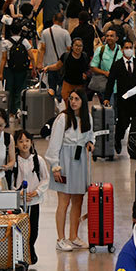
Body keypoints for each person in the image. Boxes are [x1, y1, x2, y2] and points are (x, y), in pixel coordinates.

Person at [45, 88, 95, 251]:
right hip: (65, 161)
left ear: (83, 101)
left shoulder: (87, 118)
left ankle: (74, 236)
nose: (73, 102)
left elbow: (90, 135)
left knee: (78, 200)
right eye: (71, 98)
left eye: (77, 99)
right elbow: (54, 143)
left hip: (80, 161)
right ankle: (60, 238)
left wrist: (90, 143)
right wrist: (55, 166)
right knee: (64, 201)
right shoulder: (63, 118)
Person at [103, 39, 136, 154]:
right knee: (122, 123)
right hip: (123, 101)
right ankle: (117, 140)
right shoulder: (117, 65)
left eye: (131, 47)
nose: (129, 50)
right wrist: (106, 98)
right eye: (126, 47)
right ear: (122, 49)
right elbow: (110, 82)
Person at [11, 129, 49, 265]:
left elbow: (45, 179)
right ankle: (20, 253)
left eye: (27, 141)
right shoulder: (14, 162)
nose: (24, 144)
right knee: (19, 228)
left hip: (34, 201)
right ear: (15, 145)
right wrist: (18, 193)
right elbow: (10, 182)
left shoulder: (38, 160)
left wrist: (38, 191)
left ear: (31, 143)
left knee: (33, 228)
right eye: (20, 141)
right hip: (19, 202)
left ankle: (30, 248)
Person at [0, 22, 36, 117]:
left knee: (9, 89)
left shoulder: (6, 42)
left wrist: (0, 74)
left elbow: (3, 59)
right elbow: (32, 57)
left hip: (9, 69)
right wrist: (33, 69)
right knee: (20, 89)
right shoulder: (25, 41)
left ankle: (10, 112)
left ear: (10, 31)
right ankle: (18, 110)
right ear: (20, 31)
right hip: (22, 69)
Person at [44, 37, 90, 103]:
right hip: (68, 85)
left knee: (78, 105)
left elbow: (88, 69)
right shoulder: (66, 56)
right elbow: (57, 66)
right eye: (76, 45)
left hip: (80, 86)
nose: (78, 48)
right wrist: (48, 67)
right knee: (67, 104)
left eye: (80, 46)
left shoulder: (84, 56)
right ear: (72, 46)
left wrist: (86, 74)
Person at [38, 13, 72, 99]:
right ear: (62, 21)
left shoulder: (45, 32)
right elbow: (69, 48)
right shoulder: (65, 33)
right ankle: (60, 104)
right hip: (61, 66)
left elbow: (42, 49)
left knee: (51, 89)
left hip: (49, 66)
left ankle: (52, 107)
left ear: (53, 20)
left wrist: (39, 63)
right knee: (62, 88)